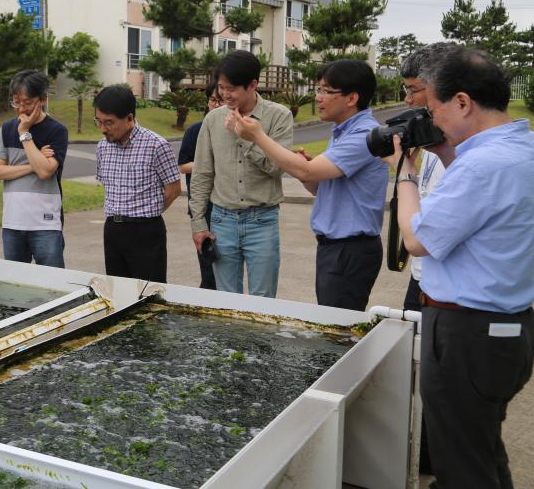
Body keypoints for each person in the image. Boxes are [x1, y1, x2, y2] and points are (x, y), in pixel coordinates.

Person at [382, 46, 534, 488]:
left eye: (433, 108)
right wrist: (445, 155)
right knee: (481, 447)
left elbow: (417, 239)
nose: (432, 120)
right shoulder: (519, 149)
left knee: (461, 465)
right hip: (507, 327)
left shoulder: (484, 165)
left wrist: (405, 171)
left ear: (463, 102)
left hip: (468, 333)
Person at [229, 59, 388, 311]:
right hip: (336, 249)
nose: (318, 98)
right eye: (318, 90)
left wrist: (258, 136)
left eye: (326, 91)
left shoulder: (364, 135)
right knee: (330, 323)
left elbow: (306, 170)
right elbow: (316, 182)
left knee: (337, 331)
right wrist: (306, 173)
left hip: (350, 249)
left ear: (352, 98)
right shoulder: (343, 132)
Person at [190, 52, 294, 297]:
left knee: (264, 300)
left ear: (253, 85)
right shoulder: (213, 119)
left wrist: (245, 137)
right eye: (221, 88)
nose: (225, 94)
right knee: (226, 300)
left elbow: (277, 168)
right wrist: (198, 223)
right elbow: (202, 174)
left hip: (263, 220)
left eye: (232, 89)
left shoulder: (279, 116)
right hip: (221, 220)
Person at [94, 85, 181, 283]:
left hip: (146, 232)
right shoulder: (102, 147)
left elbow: (174, 190)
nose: (102, 129)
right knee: (117, 291)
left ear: (130, 118)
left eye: (109, 123)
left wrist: (145, 215)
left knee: (149, 294)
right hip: (113, 230)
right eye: (98, 121)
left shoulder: (156, 145)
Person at [0, 70, 68, 267]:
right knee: (16, 286)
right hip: (12, 222)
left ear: (42, 99)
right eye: (17, 102)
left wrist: (24, 134)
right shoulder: (7, 129)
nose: (22, 109)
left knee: (52, 283)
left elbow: (45, 172)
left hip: (46, 224)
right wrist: (33, 164)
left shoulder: (57, 130)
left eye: (27, 102)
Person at [398, 44, 455, 312]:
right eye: (405, 90)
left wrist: (404, 175)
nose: (407, 100)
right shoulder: (434, 139)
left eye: (413, 90)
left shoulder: (479, 157)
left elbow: (418, 242)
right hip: (423, 276)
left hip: (454, 294)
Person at [177, 81, 221, 289]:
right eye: (213, 100)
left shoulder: (237, 129)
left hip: (228, 206)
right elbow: (183, 165)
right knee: (208, 267)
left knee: (227, 270)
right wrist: (209, 164)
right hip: (203, 208)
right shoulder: (195, 130)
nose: (216, 105)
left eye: (221, 100)